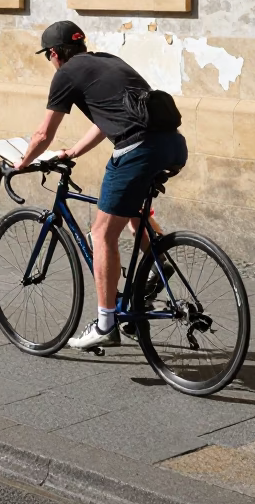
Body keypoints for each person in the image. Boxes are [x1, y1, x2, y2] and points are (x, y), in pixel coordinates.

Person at [13, 20, 187, 351]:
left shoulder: (65, 73)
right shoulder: (107, 60)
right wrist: (72, 152)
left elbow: (43, 134)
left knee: (102, 234)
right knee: (130, 207)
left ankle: (106, 323)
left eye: (48, 57)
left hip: (138, 149)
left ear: (53, 53)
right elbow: (106, 123)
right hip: (173, 144)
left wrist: (21, 163)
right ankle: (157, 262)